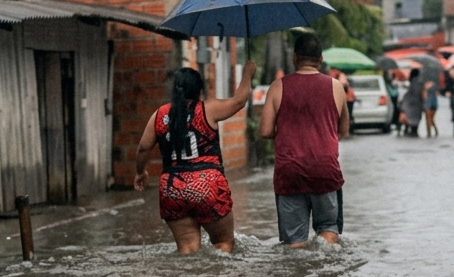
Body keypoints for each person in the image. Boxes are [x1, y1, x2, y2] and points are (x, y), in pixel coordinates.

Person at [133, 60, 256, 254]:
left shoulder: (160, 115)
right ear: (200, 90)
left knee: (187, 250)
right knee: (223, 244)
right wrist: (248, 73)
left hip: (172, 188)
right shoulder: (208, 109)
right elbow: (239, 101)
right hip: (207, 185)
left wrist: (140, 172)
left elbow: (143, 149)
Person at [258, 33, 349, 249]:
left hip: (289, 171)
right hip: (325, 169)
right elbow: (343, 130)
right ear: (320, 59)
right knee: (328, 230)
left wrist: (287, 130)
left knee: (295, 242)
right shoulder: (336, 87)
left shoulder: (278, 87)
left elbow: (264, 131)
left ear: (294, 58)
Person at [401, 67, 424, 137]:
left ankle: (408, 130)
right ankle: (414, 131)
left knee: (409, 116)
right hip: (417, 103)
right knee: (416, 117)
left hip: (409, 102)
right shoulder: (420, 82)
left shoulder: (410, 82)